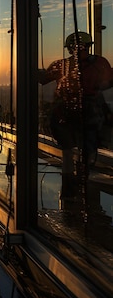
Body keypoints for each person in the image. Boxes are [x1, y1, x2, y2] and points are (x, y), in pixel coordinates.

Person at [38, 31, 113, 199]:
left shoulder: (62, 66)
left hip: (67, 113)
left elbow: (42, 79)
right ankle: (80, 182)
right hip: (83, 113)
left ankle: (71, 188)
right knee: (84, 151)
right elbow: (106, 84)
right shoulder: (99, 64)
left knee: (69, 152)